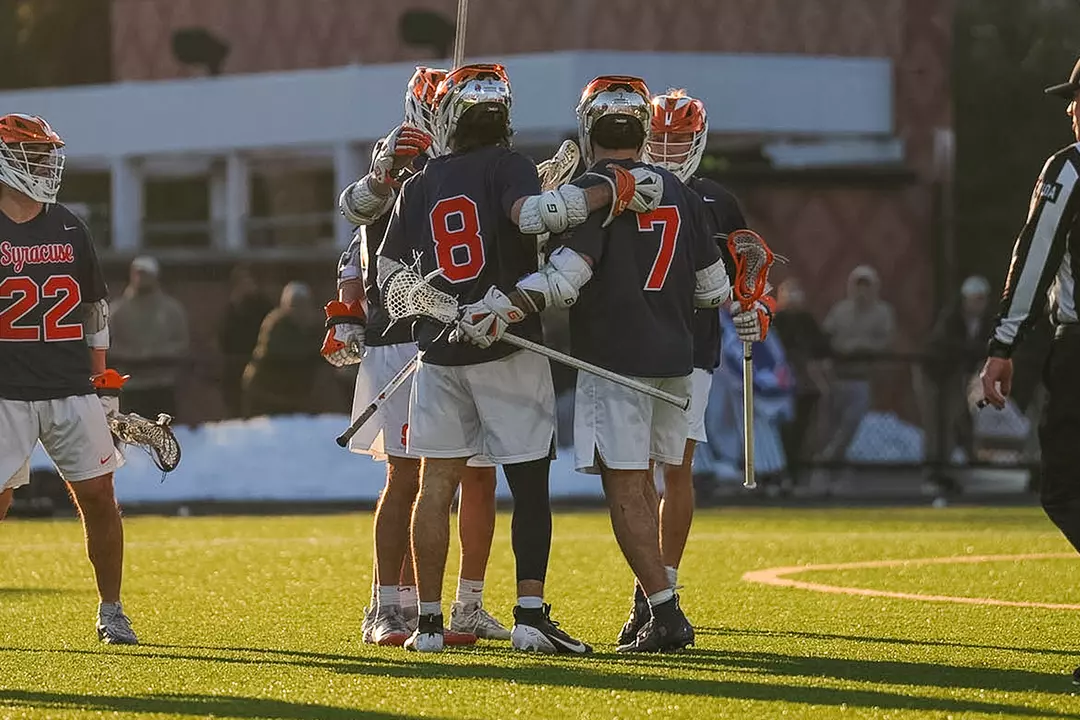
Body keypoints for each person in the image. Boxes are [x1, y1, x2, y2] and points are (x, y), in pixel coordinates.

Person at [378, 63, 661, 653]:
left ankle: (429, 625)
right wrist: (609, 188)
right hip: (509, 348)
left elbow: (389, 277)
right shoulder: (508, 166)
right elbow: (533, 218)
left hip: (440, 353)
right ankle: (530, 618)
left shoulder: (420, 181)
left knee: (437, 484)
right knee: (529, 486)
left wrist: (443, 308)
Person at [457, 75, 738, 652]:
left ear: (589, 129)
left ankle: (664, 612)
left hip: (618, 361)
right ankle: (660, 604)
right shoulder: (683, 192)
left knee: (627, 490)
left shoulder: (596, 188)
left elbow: (566, 279)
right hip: (678, 361)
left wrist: (505, 306)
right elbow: (713, 289)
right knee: (658, 481)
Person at [326, 66, 508, 646]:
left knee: (478, 475)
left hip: (465, 329)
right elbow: (354, 225)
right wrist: (348, 309)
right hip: (401, 332)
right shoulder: (398, 160)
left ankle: (468, 604)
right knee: (406, 474)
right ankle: (389, 604)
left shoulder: (479, 160)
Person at [609, 88, 766, 643]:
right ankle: (656, 594)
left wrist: (752, 310)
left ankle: (658, 590)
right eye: (661, 138)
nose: (671, 149)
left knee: (673, 467)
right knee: (637, 471)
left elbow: (742, 279)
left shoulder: (716, 200)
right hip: (633, 345)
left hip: (689, 348)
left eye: (680, 138)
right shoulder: (622, 191)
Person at [0, 113, 137, 644]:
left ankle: (111, 608)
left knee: (99, 495)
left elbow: (94, 308)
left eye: (44, 154)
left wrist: (103, 383)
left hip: (68, 387)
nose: (43, 165)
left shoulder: (68, 224)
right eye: (32, 154)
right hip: (5, 391)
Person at [976, 57, 1080, 685]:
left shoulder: (1070, 167)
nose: (1071, 108)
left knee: (1065, 489)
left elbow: (1035, 253)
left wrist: (1002, 344)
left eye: (1079, 97)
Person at [819, 265, 895, 465]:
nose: (861, 291)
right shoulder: (840, 310)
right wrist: (838, 350)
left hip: (861, 376)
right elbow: (826, 336)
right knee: (830, 423)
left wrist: (861, 347)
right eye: (858, 285)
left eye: (866, 286)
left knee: (853, 421)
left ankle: (833, 457)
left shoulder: (882, 312)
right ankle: (825, 464)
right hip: (836, 376)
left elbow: (885, 341)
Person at [108, 255, 190, 419]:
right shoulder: (117, 311)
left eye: (145, 273)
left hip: (162, 385)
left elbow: (182, 344)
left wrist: (156, 354)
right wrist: (133, 355)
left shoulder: (171, 310)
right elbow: (107, 345)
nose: (140, 277)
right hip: (130, 386)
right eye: (137, 273)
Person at [771, 277, 830, 488]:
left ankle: (797, 475)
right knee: (784, 431)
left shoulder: (807, 320)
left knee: (804, 432)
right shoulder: (776, 321)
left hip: (806, 387)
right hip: (780, 388)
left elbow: (822, 347)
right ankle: (783, 473)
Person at [242, 281, 322, 416]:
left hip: (288, 395)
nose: (300, 309)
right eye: (295, 304)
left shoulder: (306, 327)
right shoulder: (276, 323)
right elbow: (286, 351)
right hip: (266, 390)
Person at [218, 264, 273, 418]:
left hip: (260, 367)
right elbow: (224, 337)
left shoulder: (264, 305)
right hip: (235, 369)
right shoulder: (231, 310)